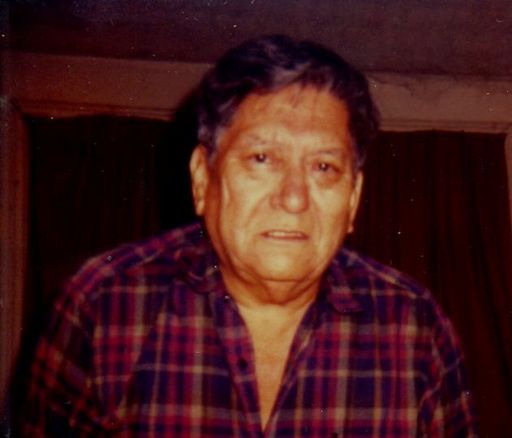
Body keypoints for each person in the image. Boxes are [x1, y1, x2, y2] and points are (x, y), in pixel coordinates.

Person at [23, 35, 477, 437]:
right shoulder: (103, 306)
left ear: (353, 198)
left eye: (323, 167)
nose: (294, 198)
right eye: (262, 158)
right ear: (202, 178)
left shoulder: (416, 329)